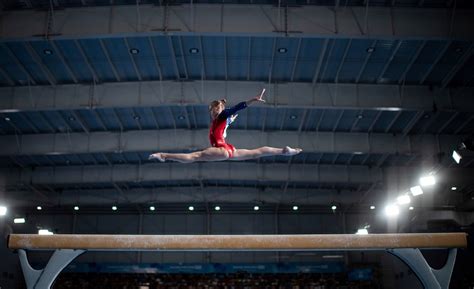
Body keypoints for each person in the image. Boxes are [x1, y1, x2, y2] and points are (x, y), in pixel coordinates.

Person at [148, 89, 302, 163]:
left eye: (216, 110)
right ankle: (284, 151)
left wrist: (252, 100)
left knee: (195, 156)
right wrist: (228, 123)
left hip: (222, 149)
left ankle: (164, 155)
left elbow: (236, 108)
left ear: (220, 110)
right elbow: (224, 129)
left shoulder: (222, 115)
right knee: (256, 153)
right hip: (228, 149)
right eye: (212, 111)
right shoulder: (219, 121)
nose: (214, 113)